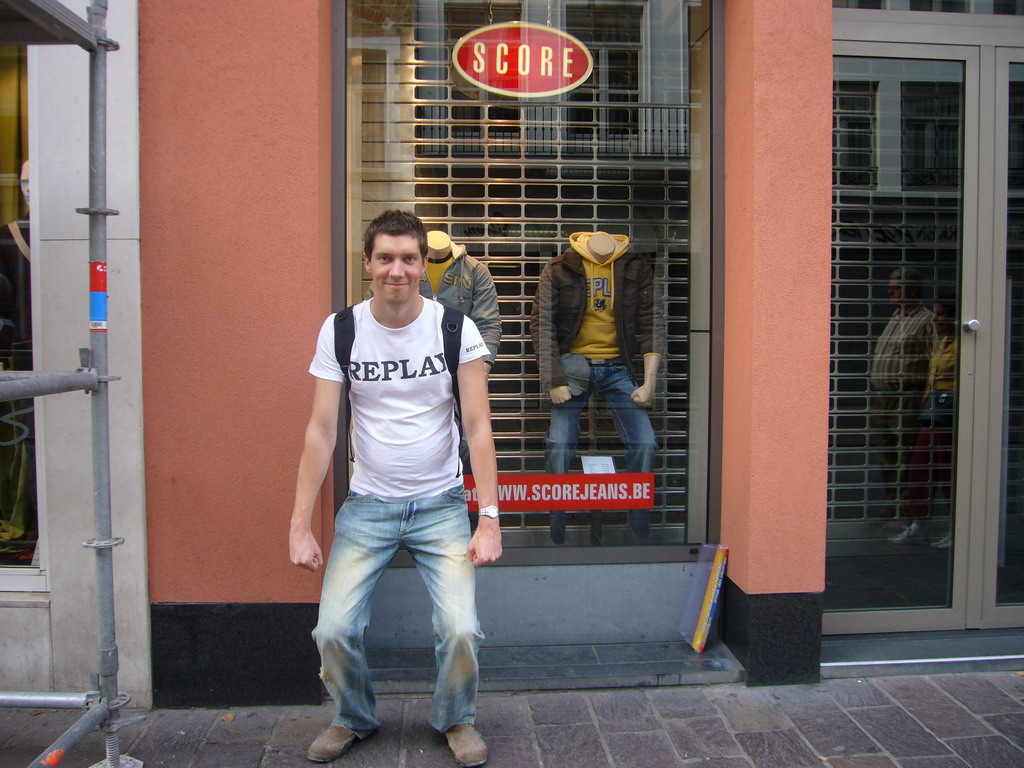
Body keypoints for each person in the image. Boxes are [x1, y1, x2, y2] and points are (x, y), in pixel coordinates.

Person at [288, 210, 502, 767]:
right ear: (367, 263)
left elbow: (478, 427)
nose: (397, 270)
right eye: (385, 258)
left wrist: (489, 516)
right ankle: (353, 717)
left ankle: (456, 717)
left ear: (424, 263)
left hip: (441, 505)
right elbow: (320, 430)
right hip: (368, 506)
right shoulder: (342, 330)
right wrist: (300, 524)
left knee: (460, 629)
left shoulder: (456, 328)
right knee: (333, 630)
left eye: (409, 258)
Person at [530, 230, 660, 545]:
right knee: (560, 446)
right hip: (573, 363)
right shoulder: (560, 266)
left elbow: (651, 322)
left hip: (619, 364)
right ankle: (557, 533)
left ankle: (637, 530)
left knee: (645, 444)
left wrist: (650, 382)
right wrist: (554, 379)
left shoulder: (635, 267)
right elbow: (542, 322)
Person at [869, 267, 937, 521]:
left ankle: (907, 511)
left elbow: (934, 361)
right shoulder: (896, 317)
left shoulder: (926, 320)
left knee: (904, 455)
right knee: (886, 455)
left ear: (914, 290)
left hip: (907, 398)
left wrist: (924, 401)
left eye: (896, 286)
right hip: (884, 399)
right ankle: (892, 506)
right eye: (891, 285)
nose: (890, 291)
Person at [893, 293, 957, 548]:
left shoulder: (964, 345)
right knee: (919, 467)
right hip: (931, 415)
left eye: (941, 314)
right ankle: (919, 522)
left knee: (947, 471)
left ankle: (959, 527)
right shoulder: (944, 342)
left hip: (949, 416)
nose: (936, 318)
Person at [422, 230, 501, 373]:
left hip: (461, 366)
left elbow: (488, 324)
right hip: (414, 366)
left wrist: (482, 370)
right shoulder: (405, 269)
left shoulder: (475, 270)